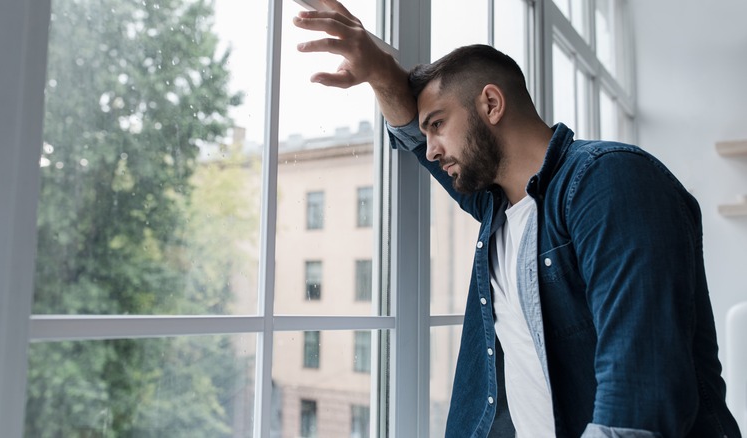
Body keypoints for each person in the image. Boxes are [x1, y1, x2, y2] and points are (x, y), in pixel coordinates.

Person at [293, 1, 742, 437]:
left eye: (439, 124)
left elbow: (640, 401)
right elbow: (410, 135)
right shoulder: (497, 208)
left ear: (491, 104)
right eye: (427, 131)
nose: (430, 150)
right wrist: (378, 71)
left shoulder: (609, 179)